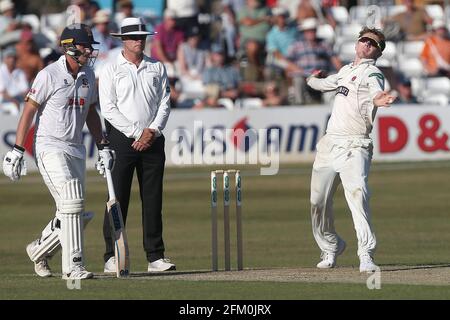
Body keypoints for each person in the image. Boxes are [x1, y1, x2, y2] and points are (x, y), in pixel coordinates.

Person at [2, 24, 110, 280]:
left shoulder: (88, 75)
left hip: (76, 149)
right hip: (49, 146)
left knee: (75, 213)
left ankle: (39, 250)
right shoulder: (48, 74)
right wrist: (17, 149)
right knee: (71, 202)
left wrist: (103, 145)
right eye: (85, 46)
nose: (89, 51)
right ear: (70, 47)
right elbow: (28, 110)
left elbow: (91, 113)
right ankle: (73, 268)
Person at [306, 27, 396, 273]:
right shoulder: (346, 71)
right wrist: (311, 79)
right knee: (317, 202)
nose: (367, 44)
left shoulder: (373, 72)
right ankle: (331, 245)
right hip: (330, 143)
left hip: (356, 145)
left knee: (358, 196)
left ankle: (366, 253)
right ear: (357, 42)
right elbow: (325, 84)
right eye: (364, 40)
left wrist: (380, 99)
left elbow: (377, 92)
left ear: (377, 52)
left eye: (373, 43)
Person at [99, 17, 175, 272]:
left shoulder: (157, 66)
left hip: (153, 139)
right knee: (117, 198)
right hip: (122, 138)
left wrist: (152, 130)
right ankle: (112, 255)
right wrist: (136, 132)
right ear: (123, 40)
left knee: (153, 199)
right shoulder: (110, 68)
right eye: (133, 37)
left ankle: (155, 256)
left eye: (142, 36)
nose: (139, 40)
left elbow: (165, 102)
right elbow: (108, 108)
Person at [286, 18, 341, 105]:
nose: (311, 33)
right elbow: (288, 61)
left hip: (322, 75)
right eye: (308, 31)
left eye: (313, 30)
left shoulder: (324, 43)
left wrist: (342, 72)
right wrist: (298, 70)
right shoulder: (296, 45)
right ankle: (299, 104)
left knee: (334, 78)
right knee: (297, 79)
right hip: (304, 76)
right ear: (304, 32)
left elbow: (334, 58)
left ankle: (330, 105)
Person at [0, 46, 29, 115]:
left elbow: (25, 90)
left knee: (27, 109)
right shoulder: (1, 71)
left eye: (14, 57)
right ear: (4, 59)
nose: (12, 60)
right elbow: (3, 93)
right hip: (4, 101)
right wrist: (14, 101)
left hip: (18, 100)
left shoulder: (20, 72)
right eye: (9, 57)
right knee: (14, 109)